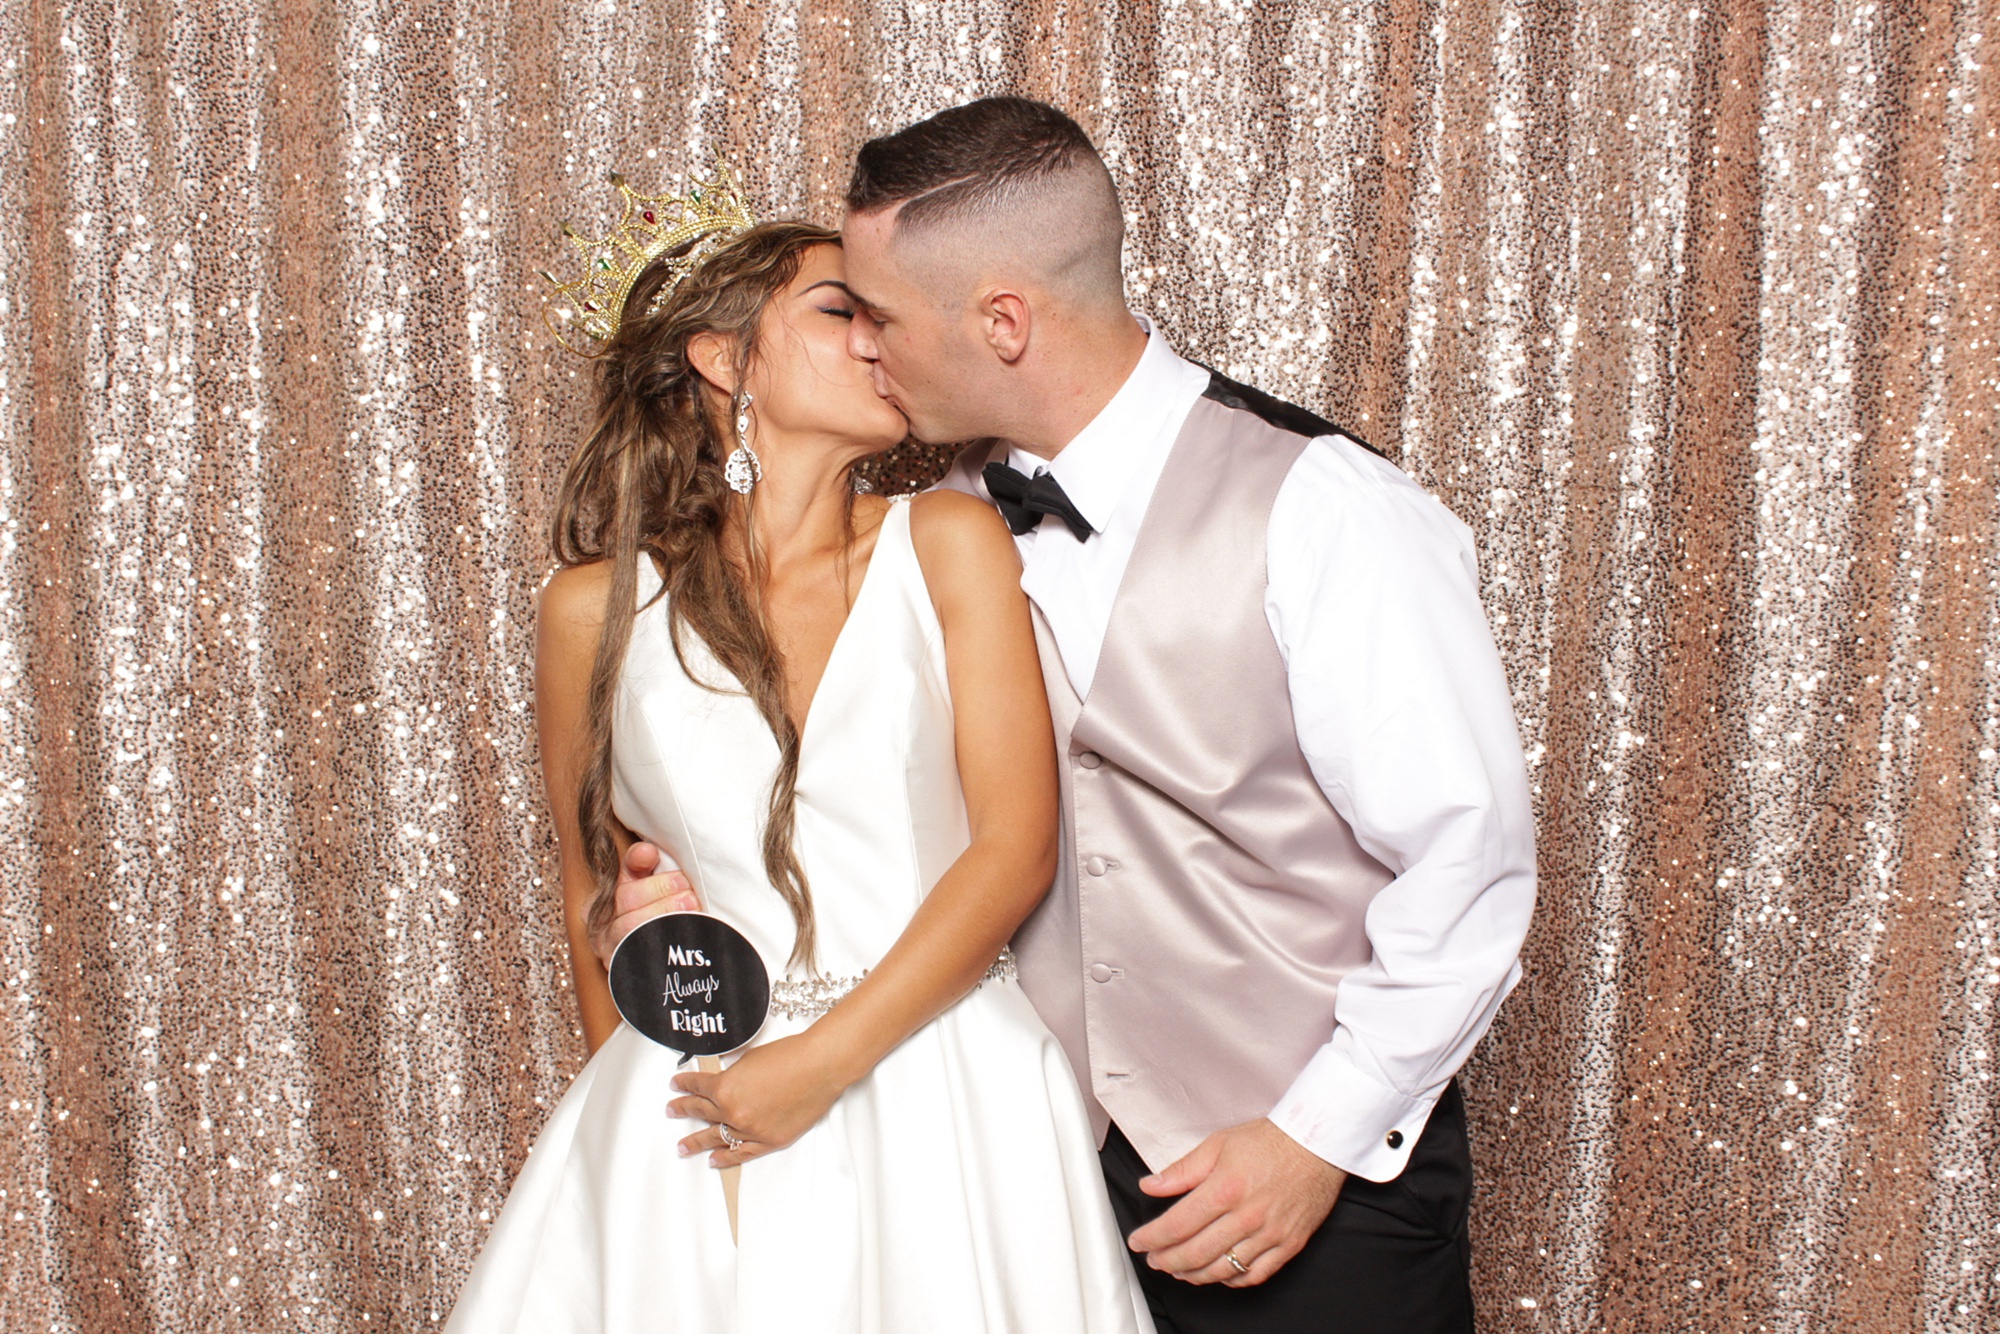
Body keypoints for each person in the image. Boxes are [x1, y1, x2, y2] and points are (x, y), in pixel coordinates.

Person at [611, 98, 1537, 1334]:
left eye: (876, 316)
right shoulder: (925, 533)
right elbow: (826, 780)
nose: (867, 350)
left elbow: (1466, 861)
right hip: (1018, 1168)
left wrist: (1311, 1138)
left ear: (1001, 321)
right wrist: (674, 891)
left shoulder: (1327, 508)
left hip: (1298, 1179)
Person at [445, 195, 1153, 1333]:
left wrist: (820, 1062)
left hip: (947, 1085)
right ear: (724, 359)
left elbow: (1014, 847)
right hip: (705, 1100)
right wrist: (645, 1137)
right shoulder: (593, 608)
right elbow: (590, 881)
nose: (880, 337)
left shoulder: (948, 542)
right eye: (841, 310)